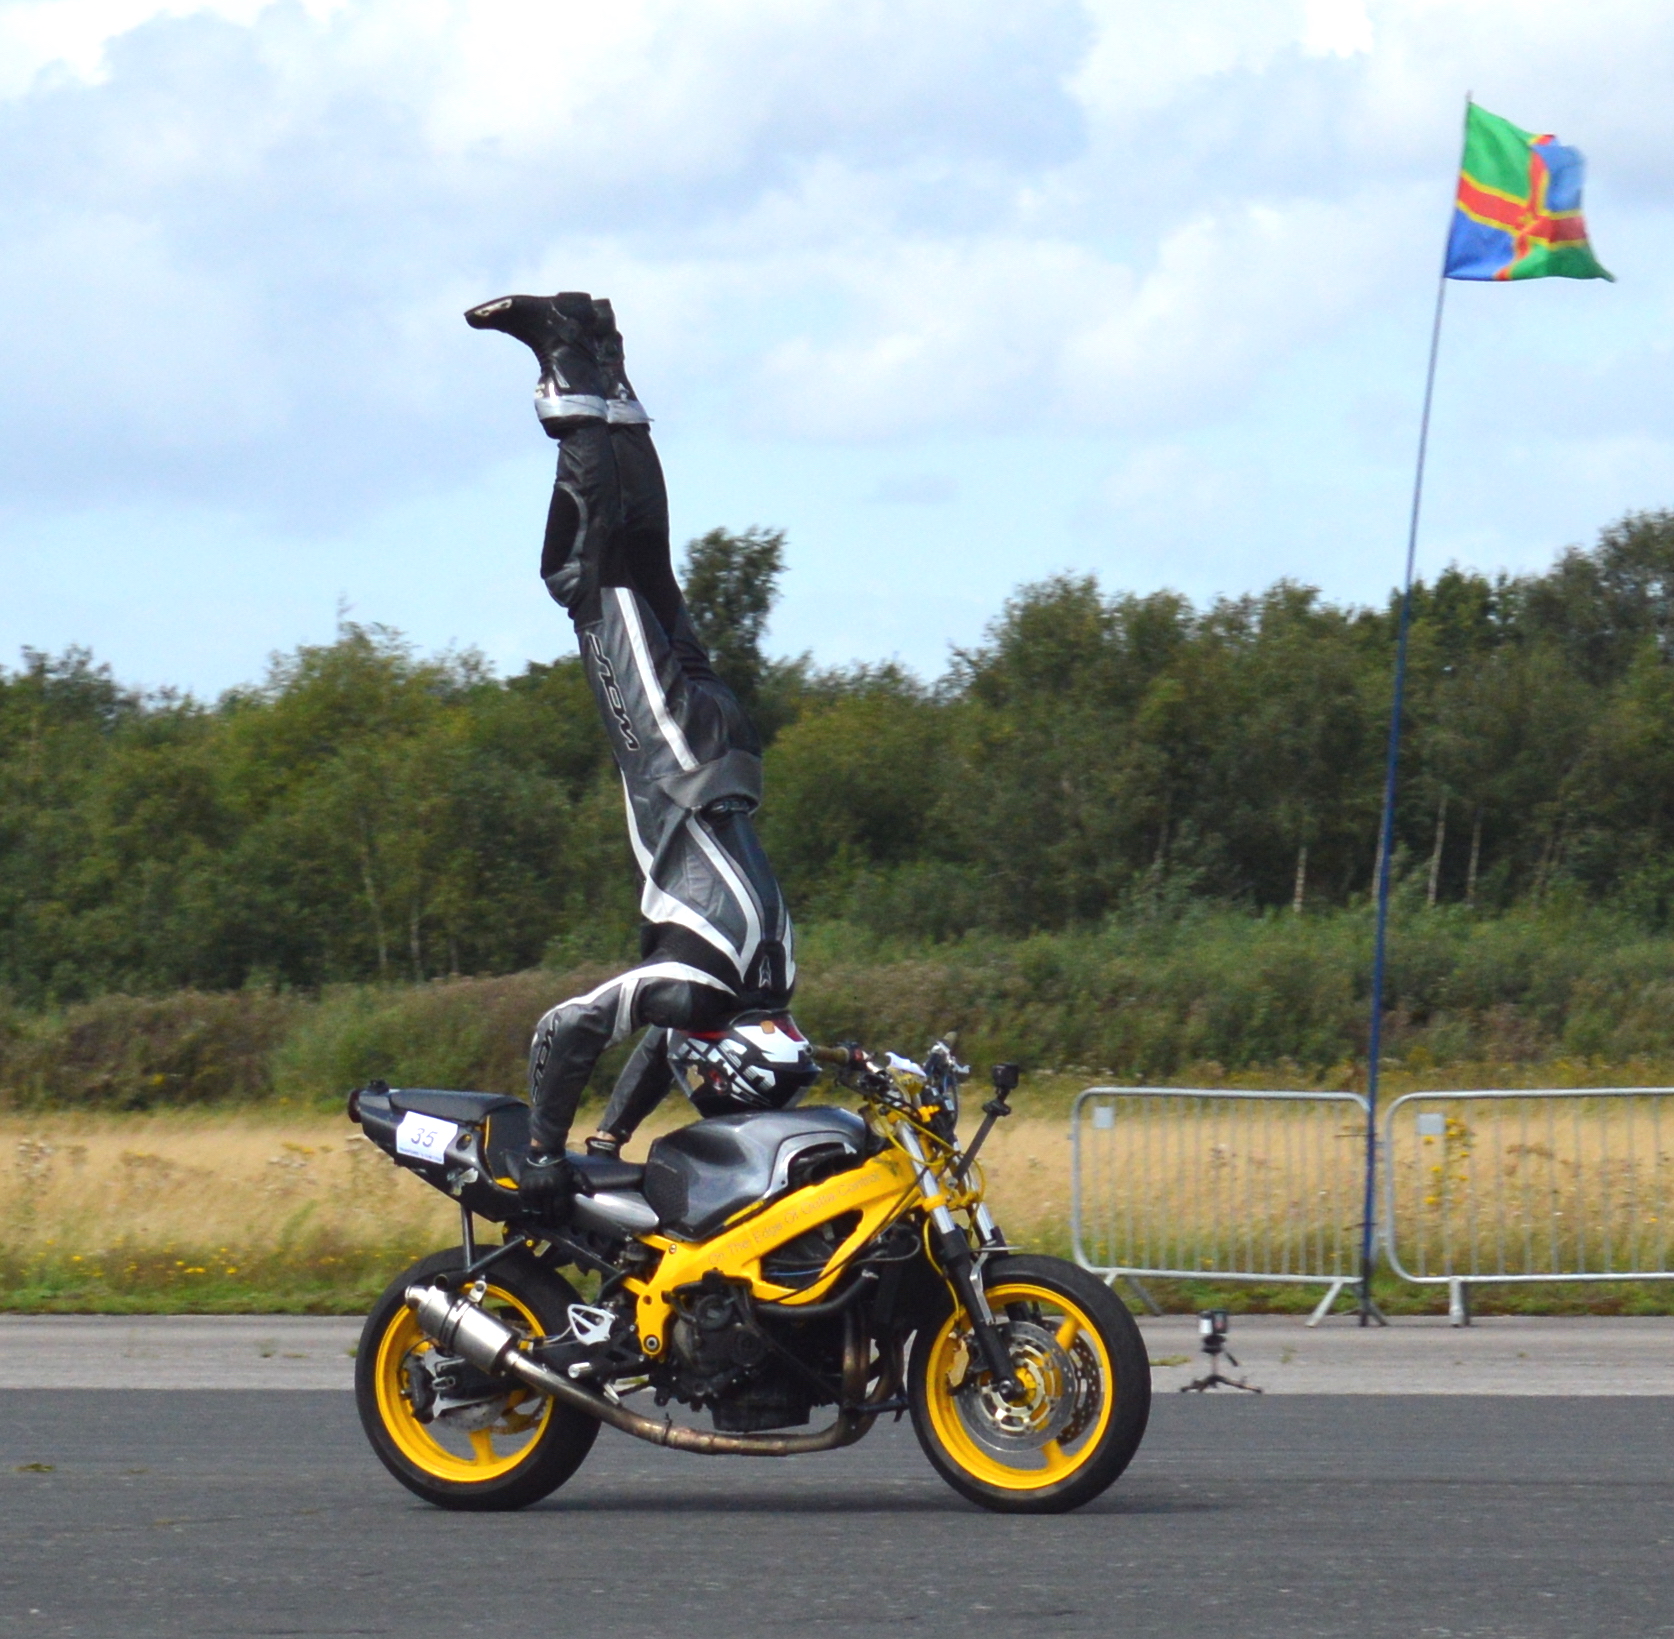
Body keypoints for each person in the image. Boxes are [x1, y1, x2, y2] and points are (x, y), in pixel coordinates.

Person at [464, 291, 796, 1217]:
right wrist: (541, 1146)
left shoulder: (765, 978)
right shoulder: (701, 990)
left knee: (646, 563)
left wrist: (609, 1132)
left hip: (724, 753)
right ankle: (566, 363)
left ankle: (607, 361)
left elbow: (666, 1028)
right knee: (584, 574)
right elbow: (566, 1026)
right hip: (672, 753)